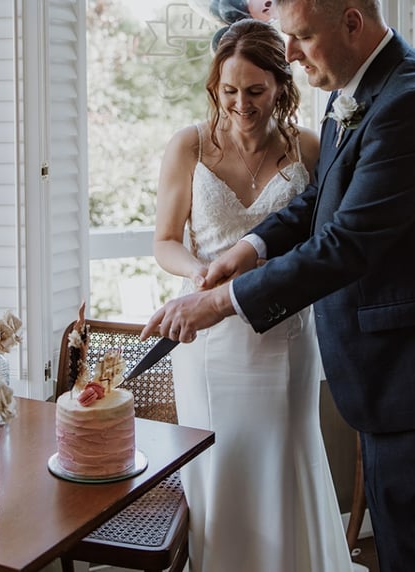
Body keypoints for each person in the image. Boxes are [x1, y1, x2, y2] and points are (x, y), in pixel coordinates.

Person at [144, 1, 415, 571]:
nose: (290, 52)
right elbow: (324, 200)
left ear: (351, 22)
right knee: (404, 546)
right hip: (398, 375)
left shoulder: (414, 104)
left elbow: (346, 244)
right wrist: (250, 248)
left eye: (301, 36)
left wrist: (221, 301)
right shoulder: (359, 93)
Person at [153, 18, 358, 572]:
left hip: (285, 333)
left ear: (281, 87)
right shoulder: (189, 145)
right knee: (219, 464)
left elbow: (326, 238)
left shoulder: (310, 147)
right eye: (229, 91)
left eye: (255, 91)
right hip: (208, 335)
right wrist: (199, 274)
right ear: (214, 87)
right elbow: (165, 241)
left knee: (285, 458)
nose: (240, 104)